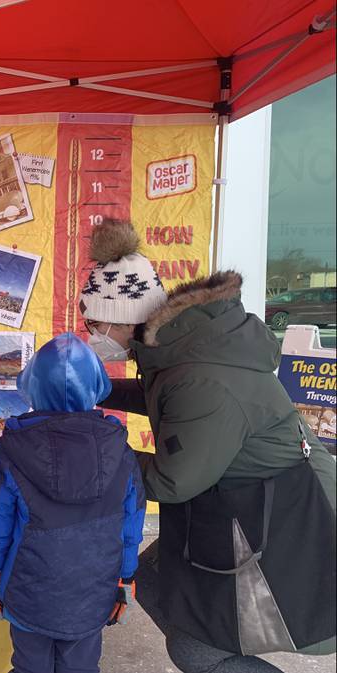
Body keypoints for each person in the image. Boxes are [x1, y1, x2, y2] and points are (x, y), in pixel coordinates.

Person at [80, 219, 336, 672]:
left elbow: (172, 481)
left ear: (123, 319)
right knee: (155, 579)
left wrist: (85, 452)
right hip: (242, 498)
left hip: (281, 513)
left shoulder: (202, 376)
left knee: (195, 648)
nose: (90, 335)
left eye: (94, 323)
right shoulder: (180, 350)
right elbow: (170, 400)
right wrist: (99, 392)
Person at [0, 332, 146, 673]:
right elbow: (130, 524)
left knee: (30, 665)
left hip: (28, 591)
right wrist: (126, 577)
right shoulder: (120, 451)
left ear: (32, 385)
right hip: (94, 592)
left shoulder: (11, 449)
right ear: (96, 386)